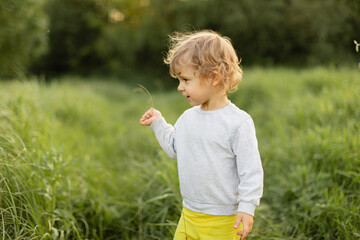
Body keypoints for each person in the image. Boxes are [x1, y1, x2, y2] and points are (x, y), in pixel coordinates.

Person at [140, 30, 263, 240]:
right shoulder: (188, 118)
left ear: (213, 78)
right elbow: (173, 148)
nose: (180, 87)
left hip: (222, 220)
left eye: (186, 79)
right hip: (189, 213)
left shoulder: (238, 122)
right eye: (179, 80)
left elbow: (250, 170)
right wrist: (158, 124)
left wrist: (247, 206)